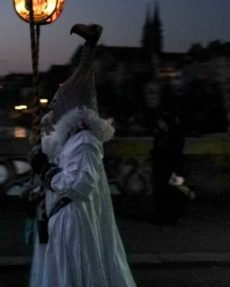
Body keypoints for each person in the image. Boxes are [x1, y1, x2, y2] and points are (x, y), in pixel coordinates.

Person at [29, 23, 136, 287]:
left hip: (73, 226)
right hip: (64, 220)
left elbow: (78, 184)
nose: (53, 107)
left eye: (57, 103)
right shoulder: (71, 141)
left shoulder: (85, 141)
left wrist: (45, 171)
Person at [151, 112, 194, 224]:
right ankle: (166, 215)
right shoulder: (161, 134)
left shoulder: (175, 134)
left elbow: (173, 150)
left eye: (161, 121)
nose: (159, 123)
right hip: (164, 168)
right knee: (165, 191)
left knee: (176, 190)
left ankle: (175, 214)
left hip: (173, 167)